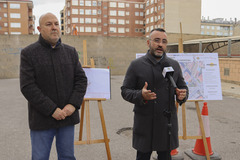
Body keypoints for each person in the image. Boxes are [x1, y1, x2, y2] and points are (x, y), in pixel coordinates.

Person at [20, 13, 87, 159]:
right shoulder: (29, 53)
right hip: (42, 119)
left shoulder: (70, 52)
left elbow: (81, 80)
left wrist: (72, 105)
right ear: (39, 28)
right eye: (49, 24)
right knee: (39, 157)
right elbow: (27, 86)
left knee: (67, 157)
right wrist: (52, 109)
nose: (54, 27)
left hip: (67, 118)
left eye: (56, 24)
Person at [121, 28, 188, 160]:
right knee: (143, 156)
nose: (160, 44)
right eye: (156, 40)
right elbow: (125, 91)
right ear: (148, 43)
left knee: (165, 156)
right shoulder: (136, 65)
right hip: (145, 122)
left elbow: (183, 87)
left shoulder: (173, 65)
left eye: (164, 41)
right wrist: (140, 95)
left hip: (166, 123)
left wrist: (182, 95)